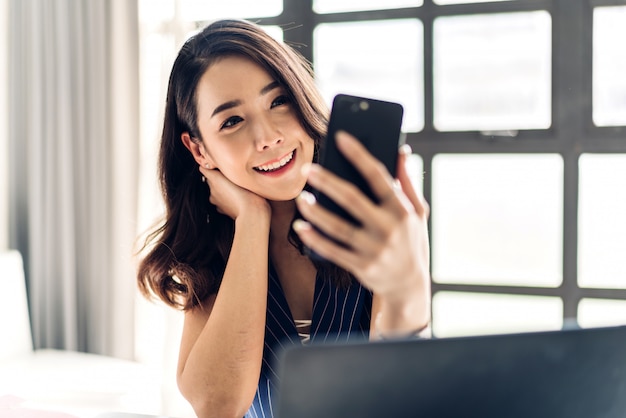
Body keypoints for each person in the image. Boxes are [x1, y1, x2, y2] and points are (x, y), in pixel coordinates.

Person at [136, 18, 431, 418]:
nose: (268, 137)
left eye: (278, 101)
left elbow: (395, 395)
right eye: (232, 121)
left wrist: (405, 290)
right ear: (199, 150)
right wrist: (252, 221)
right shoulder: (211, 251)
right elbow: (218, 404)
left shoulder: (373, 220)